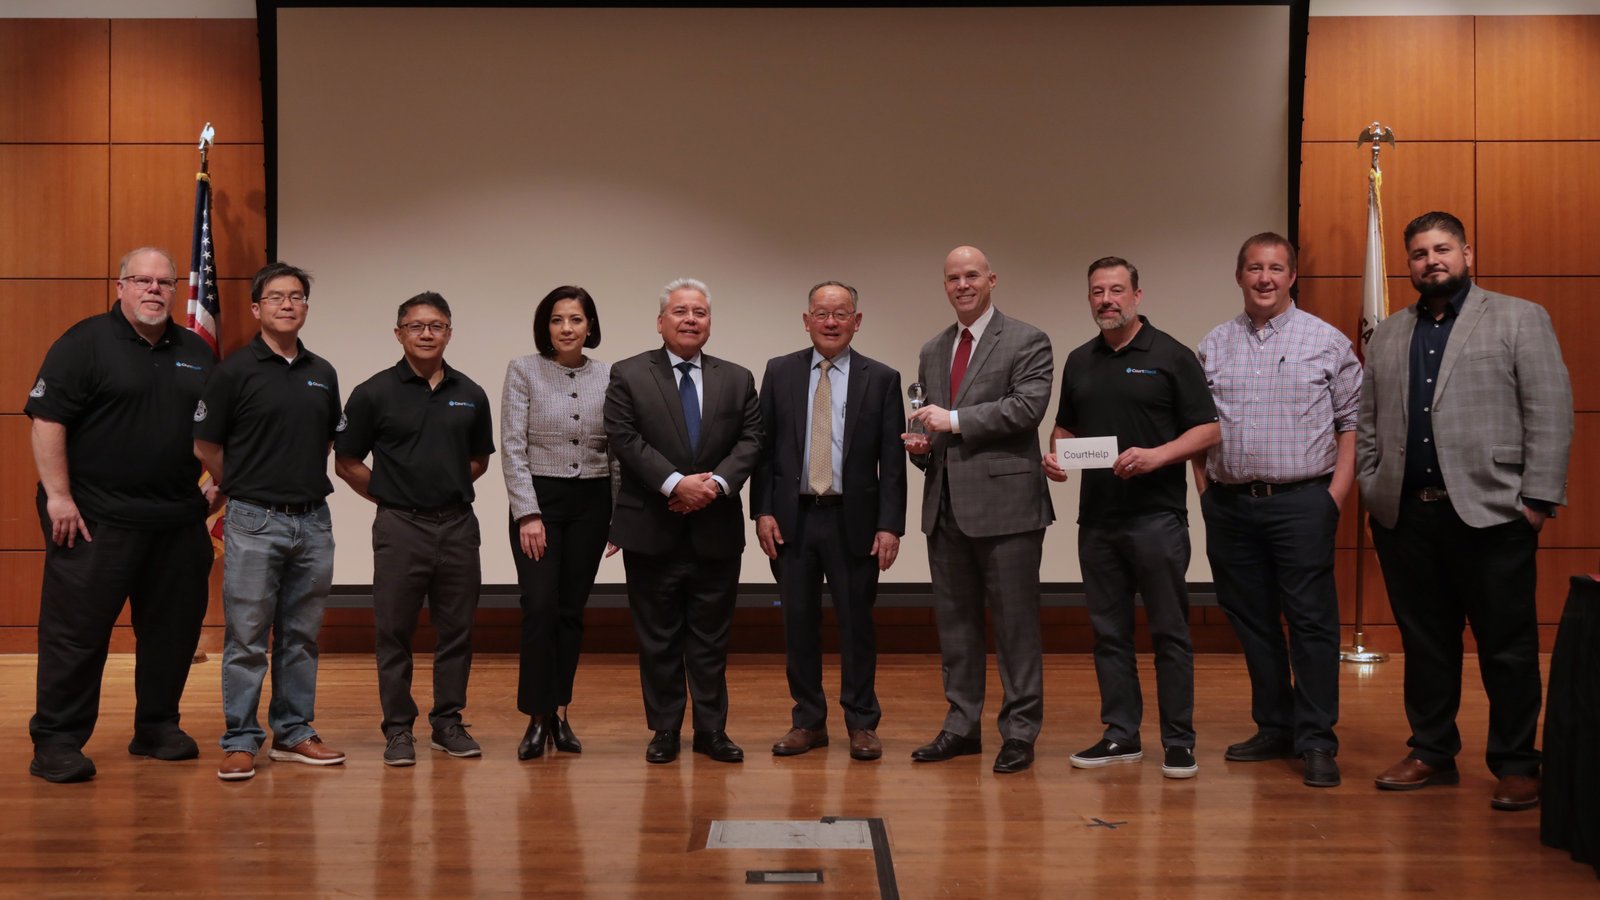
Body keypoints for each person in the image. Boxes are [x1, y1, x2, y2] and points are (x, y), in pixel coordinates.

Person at [1358, 211, 1573, 811]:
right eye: (1419, 253)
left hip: (1494, 514)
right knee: (1426, 644)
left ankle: (1517, 763)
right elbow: (1369, 422)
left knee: (1507, 646)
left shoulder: (1518, 317)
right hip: (1407, 518)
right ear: (1408, 264)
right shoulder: (1388, 334)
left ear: (1466, 254)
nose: (1432, 261)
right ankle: (1431, 751)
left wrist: (1536, 501)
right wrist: (1374, 487)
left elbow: (1550, 412)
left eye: (1443, 249)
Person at [23, 247, 218, 783]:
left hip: (177, 520)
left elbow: (224, 426)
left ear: (175, 291)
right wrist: (58, 497)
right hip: (92, 517)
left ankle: (156, 728)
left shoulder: (197, 352)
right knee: (76, 635)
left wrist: (221, 484)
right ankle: (57, 741)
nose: (153, 289)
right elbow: (47, 419)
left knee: (172, 632)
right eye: (142, 280)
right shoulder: (83, 342)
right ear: (121, 286)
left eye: (164, 282)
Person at [1194, 233, 1360, 788]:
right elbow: (1198, 427)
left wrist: (1335, 495)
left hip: (1303, 503)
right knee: (1252, 621)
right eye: (1254, 268)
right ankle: (1274, 726)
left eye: (1275, 268)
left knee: (1311, 623)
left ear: (1292, 277)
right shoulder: (1213, 345)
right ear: (1239, 276)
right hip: (1230, 506)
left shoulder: (1327, 341)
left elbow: (1353, 423)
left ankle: (1316, 739)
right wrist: (1205, 491)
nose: (1264, 278)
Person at [1044, 256, 1219, 780]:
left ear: (1137, 296)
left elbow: (1209, 429)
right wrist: (1056, 455)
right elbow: (1067, 427)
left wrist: (1157, 456)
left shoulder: (1171, 355)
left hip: (1157, 520)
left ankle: (1178, 741)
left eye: (1117, 290)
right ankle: (1121, 735)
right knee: (1109, 634)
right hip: (1097, 522)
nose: (1107, 300)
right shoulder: (1079, 360)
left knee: (1170, 633)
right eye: (1098, 291)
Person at [904, 246, 1054, 775]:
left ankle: (1019, 732)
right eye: (953, 278)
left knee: (1016, 627)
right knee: (956, 627)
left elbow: (1026, 409)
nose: (962, 285)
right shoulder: (932, 349)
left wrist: (953, 420)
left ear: (992, 279)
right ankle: (962, 725)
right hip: (945, 506)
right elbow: (930, 425)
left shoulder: (1027, 340)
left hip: (1008, 508)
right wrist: (921, 446)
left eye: (972, 275)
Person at [194, 261, 345, 782]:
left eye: (296, 296)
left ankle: (294, 733)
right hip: (254, 521)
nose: (287, 304)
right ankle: (240, 740)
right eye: (276, 297)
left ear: (306, 307)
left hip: (314, 522)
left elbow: (327, 440)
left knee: (301, 636)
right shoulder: (233, 371)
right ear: (257, 308)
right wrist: (242, 483)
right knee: (247, 638)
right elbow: (205, 445)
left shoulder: (323, 372)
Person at [603, 278, 762, 764]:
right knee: (658, 638)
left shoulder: (737, 378)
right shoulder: (628, 373)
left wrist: (714, 486)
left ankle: (712, 730)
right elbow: (624, 438)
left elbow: (752, 440)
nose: (690, 319)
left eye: (699, 312)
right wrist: (676, 484)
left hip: (716, 529)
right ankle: (665, 729)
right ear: (660, 322)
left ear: (709, 323)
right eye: (680, 311)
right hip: (651, 528)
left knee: (712, 639)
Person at [334, 292, 495, 767]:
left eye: (436, 326)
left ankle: (447, 723)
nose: (426, 334)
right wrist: (392, 495)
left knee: (457, 631)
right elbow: (346, 461)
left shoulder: (471, 392)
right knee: (394, 631)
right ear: (399, 333)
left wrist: (442, 486)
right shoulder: (373, 392)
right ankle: (398, 729)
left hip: (458, 526)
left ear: (449, 333)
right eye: (416, 326)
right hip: (400, 527)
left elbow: (479, 460)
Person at [752, 281, 907, 762]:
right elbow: (762, 450)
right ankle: (808, 721)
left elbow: (892, 463)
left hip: (853, 522)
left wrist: (890, 525)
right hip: (793, 519)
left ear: (857, 322)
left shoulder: (882, 378)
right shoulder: (779, 372)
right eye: (822, 313)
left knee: (857, 625)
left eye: (841, 314)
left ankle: (862, 723)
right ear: (807, 321)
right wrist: (762, 511)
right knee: (797, 623)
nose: (831, 322)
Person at [501, 285, 616, 760]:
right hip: (540, 503)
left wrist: (619, 516)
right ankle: (536, 715)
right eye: (556, 319)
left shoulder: (609, 375)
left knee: (571, 610)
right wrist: (527, 512)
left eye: (575, 319)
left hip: (592, 502)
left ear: (590, 327)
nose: (566, 328)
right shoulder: (523, 370)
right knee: (540, 607)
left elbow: (617, 450)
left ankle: (560, 712)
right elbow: (512, 445)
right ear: (545, 326)